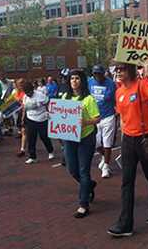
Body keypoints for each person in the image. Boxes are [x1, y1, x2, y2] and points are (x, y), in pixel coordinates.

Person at [108, 62, 148, 238]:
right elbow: (122, 116)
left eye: (122, 69)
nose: (118, 72)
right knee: (127, 181)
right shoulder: (118, 91)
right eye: (116, 69)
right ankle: (125, 223)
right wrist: (122, 134)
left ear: (131, 70)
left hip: (145, 138)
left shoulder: (141, 85)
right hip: (128, 140)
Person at [63, 69, 100, 218]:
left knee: (84, 170)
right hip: (70, 138)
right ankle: (89, 185)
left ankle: (83, 204)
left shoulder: (89, 99)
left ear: (82, 81)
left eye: (77, 78)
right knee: (72, 169)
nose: (74, 81)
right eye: (72, 79)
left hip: (86, 138)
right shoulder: (65, 96)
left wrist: (86, 122)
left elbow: (97, 118)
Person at [88, 65, 116, 179]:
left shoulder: (110, 84)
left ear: (103, 73)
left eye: (99, 73)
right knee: (95, 143)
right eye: (95, 74)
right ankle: (105, 157)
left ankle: (106, 166)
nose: (97, 76)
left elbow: (109, 98)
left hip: (108, 116)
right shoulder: (89, 82)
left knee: (107, 143)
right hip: (95, 117)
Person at [22, 81, 54, 164]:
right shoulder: (25, 97)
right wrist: (23, 118)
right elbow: (24, 107)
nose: (28, 94)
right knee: (31, 138)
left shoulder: (40, 95)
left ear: (32, 90)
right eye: (26, 93)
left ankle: (50, 151)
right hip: (30, 119)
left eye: (29, 92)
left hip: (41, 119)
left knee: (44, 136)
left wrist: (49, 112)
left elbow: (48, 102)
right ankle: (32, 157)